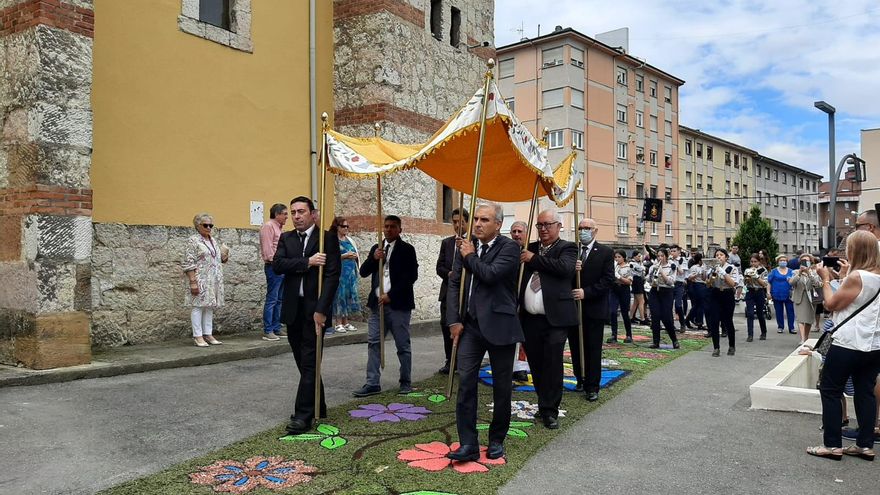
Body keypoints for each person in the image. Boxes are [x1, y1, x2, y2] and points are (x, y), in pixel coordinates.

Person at [446, 203, 523, 462]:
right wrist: (453, 320)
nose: (477, 224)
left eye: (484, 220)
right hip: (470, 327)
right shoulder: (466, 246)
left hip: (500, 326)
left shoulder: (510, 248)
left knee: (502, 387)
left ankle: (496, 439)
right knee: (466, 383)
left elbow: (490, 275)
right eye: (476, 219)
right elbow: (454, 284)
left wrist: (470, 256)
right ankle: (468, 443)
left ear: (498, 224)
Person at [807, 230, 880, 461]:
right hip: (874, 344)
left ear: (854, 250)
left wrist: (826, 279)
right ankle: (865, 445)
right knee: (865, 392)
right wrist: (845, 276)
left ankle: (832, 445)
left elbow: (830, 305)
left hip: (849, 342)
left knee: (830, 389)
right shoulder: (873, 276)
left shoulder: (858, 277)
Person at [273, 196, 341, 434]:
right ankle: (318, 405)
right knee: (304, 363)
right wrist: (307, 262)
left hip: (315, 311)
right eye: (293, 212)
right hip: (293, 310)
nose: (296, 216)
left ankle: (303, 415)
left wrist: (322, 311)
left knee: (311, 361)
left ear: (313, 214)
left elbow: (332, 276)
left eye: (301, 211)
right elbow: (278, 264)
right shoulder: (286, 238)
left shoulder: (327, 239)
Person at [519, 209, 578, 428]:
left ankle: (550, 410)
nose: (543, 229)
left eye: (548, 224)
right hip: (530, 318)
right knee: (535, 363)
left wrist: (534, 259)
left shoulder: (568, 248)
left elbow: (564, 269)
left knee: (552, 362)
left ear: (558, 226)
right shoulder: (529, 248)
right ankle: (543, 402)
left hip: (556, 318)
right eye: (539, 225)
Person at [353, 215, 419, 397]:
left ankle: (405, 381)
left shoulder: (407, 250)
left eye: (392, 227)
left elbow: (411, 277)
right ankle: (372, 383)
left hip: (398, 305)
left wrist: (391, 295)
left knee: (402, 345)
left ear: (399, 230)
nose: (388, 229)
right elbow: (363, 272)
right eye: (386, 226)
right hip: (377, 306)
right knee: (373, 343)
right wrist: (374, 258)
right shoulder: (377, 248)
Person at [571, 218, 615, 402]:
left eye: (587, 228)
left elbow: (607, 280)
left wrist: (586, 292)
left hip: (594, 307)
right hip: (574, 308)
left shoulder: (605, 252)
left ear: (595, 231)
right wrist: (572, 270)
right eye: (580, 228)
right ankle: (580, 377)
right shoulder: (573, 251)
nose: (583, 231)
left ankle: (592, 385)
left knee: (592, 348)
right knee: (575, 346)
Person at [182, 213, 229, 347]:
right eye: (205, 225)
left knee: (209, 307)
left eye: (211, 225)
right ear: (198, 226)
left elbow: (216, 259)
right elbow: (188, 261)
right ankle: (198, 336)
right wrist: (192, 281)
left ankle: (208, 333)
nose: (209, 228)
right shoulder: (193, 240)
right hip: (200, 278)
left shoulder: (212, 240)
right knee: (198, 306)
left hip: (213, 279)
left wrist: (224, 255)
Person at [435, 208, 469, 374]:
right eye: (454, 222)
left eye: (460, 222)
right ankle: (450, 360)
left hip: (466, 293)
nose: (457, 225)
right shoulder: (447, 243)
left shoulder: (473, 242)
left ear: (467, 222)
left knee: (464, 327)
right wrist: (448, 273)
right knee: (446, 325)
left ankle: (464, 360)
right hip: (448, 292)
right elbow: (439, 266)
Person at [259, 204, 288, 341]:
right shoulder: (268, 226)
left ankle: (276, 327)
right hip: (273, 267)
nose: (287, 217)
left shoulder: (279, 228)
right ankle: (268, 330)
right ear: (277, 214)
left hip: (281, 266)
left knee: (280, 299)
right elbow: (267, 248)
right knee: (272, 298)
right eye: (285, 214)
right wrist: (276, 262)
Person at [508, 220, 532, 382]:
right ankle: (508, 365)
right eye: (514, 231)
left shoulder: (532, 251)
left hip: (526, 300)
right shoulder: (506, 250)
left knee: (523, 337)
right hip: (508, 299)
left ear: (526, 233)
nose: (516, 234)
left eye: (519, 231)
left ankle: (521, 368)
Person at [706, 248, 740, 356]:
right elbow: (708, 284)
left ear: (726, 257)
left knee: (728, 321)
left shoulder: (732, 268)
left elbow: (733, 283)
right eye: (717, 255)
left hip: (727, 294)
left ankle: (731, 346)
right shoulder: (713, 268)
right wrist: (711, 275)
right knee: (714, 321)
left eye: (721, 255)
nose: (719, 257)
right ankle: (716, 348)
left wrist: (724, 273)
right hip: (715, 294)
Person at [645, 248, 680, 350]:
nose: (660, 258)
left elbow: (671, 282)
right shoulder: (653, 266)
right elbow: (647, 279)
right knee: (655, 317)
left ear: (666, 256)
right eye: (658, 256)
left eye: (662, 256)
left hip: (666, 292)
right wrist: (651, 273)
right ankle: (656, 342)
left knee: (666, 317)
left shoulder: (672, 266)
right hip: (655, 291)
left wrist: (662, 272)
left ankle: (674, 340)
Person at [330, 216, 360, 334]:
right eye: (343, 226)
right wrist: (345, 255)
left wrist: (355, 256)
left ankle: (346, 321)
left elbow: (356, 252)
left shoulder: (349, 240)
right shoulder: (333, 240)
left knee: (348, 296)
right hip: (340, 272)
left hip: (350, 273)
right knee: (339, 296)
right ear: (337, 227)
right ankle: (338, 323)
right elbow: (331, 257)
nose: (346, 228)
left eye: (347, 226)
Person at [790, 253, 821, 344]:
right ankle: (803, 339)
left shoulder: (815, 272)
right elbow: (792, 283)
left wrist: (809, 274)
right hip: (799, 297)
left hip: (811, 299)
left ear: (811, 262)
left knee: (808, 320)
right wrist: (799, 273)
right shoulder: (795, 272)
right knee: (800, 319)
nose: (805, 262)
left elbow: (817, 284)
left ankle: (806, 337)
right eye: (803, 260)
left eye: (807, 260)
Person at [608, 250, 634, 343]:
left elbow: (629, 282)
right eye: (616, 257)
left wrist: (618, 277)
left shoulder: (628, 267)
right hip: (614, 290)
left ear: (623, 257)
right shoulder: (614, 266)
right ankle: (613, 335)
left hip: (624, 290)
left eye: (619, 257)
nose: (617, 259)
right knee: (613, 312)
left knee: (624, 313)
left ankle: (629, 335)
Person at [743, 254, 769, 342]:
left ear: (759, 262)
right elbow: (746, 282)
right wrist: (748, 278)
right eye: (752, 262)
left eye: (755, 262)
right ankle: (750, 334)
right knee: (750, 313)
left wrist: (756, 276)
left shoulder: (763, 270)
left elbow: (764, 284)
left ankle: (763, 332)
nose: (753, 264)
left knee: (760, 313)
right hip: (750, 291)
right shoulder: (747, 270)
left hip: (759, 291)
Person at [767, 255, 796, 334]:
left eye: (784, 260)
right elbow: (769, 282)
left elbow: (795, 282)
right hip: (776, 293)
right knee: (779, 311)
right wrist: (768, 292)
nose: (783, 262)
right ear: (778, 262)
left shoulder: (791, 271)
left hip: (789, 294)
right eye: (781, 260)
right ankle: (780, 326)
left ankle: (792, 327)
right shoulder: (774, 271)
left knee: (790, 311)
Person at [686, 252, 708, 330]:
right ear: (699, 260)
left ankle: (691, 320)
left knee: (699, 305)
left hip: (703, 285)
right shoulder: (694, 267)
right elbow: (689, 277)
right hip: (696, 285)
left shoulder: (704, 266)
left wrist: (704, 271)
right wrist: (697, 274)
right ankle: (697, 321)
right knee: (699, 304)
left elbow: (704, 278)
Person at [669, 245, 689, 332]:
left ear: (678, 252)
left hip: (679, 284)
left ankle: (682, 323)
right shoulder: (669, 260)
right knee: (668, 305)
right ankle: (670, 325)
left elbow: (681, 273)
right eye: (671, 251)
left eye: (674, 251)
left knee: (678, 305)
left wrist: (676, 265)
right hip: (670, 284)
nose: (672, 253)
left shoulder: (682, 260)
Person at [629, 251, 648, 325]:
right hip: (636, 281)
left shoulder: (637, 263)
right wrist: (642, 265)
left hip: (639, 281)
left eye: (640, 256)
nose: (639, 257)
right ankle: (642, 319)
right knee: (641, 301)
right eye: (638, 256)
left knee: (636, 302)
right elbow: (642, 269)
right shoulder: (632, 264)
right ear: (634, 256)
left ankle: (631, 317)